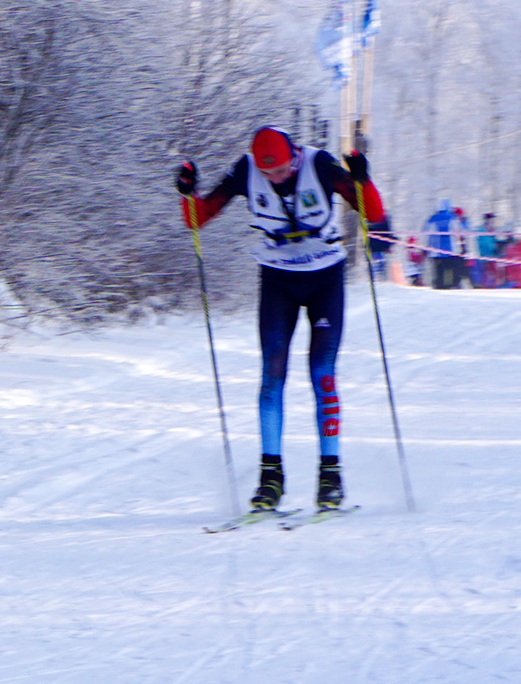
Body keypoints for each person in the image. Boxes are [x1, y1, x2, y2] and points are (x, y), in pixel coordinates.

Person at [174, 126, 384, 512]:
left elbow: (373, 212)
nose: (277, 178)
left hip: (325, 278)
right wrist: (187, 191)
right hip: (277, 280)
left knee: (322, 371)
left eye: (283, 170)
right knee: (272, 376)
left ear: (294, 155)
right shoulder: (246, 170)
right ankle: (270, 478)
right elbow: (198, 218)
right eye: (269, 174)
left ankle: (330, 476)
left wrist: (362, 179)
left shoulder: (319, 164)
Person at [424, 201, 470, 289]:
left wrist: (427, 248)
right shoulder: (453, 218)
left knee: (438, 271)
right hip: (452, 250)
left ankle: (438, 285)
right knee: (451, 270)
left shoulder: (431, 219)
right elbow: (461, 231)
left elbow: (426, 233)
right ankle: (451, 285)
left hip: (436, 252)